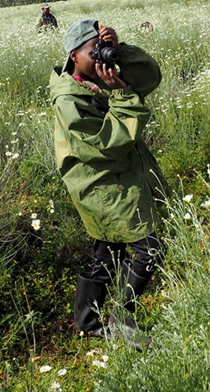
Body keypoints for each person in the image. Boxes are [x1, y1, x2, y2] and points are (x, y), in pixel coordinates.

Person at [49, 18, 168, 350]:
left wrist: (120, 51)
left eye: (102, 49)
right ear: (73, 55)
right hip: (101, 185)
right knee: (150, 249)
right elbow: (109, 143)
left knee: (109, 253)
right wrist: (121, 96)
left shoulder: (95, 77)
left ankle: (87, 322)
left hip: (114, 181)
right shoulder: (69, 99)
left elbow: (149, 77)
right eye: (94, 51)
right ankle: (122, 317)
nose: (101, 57)